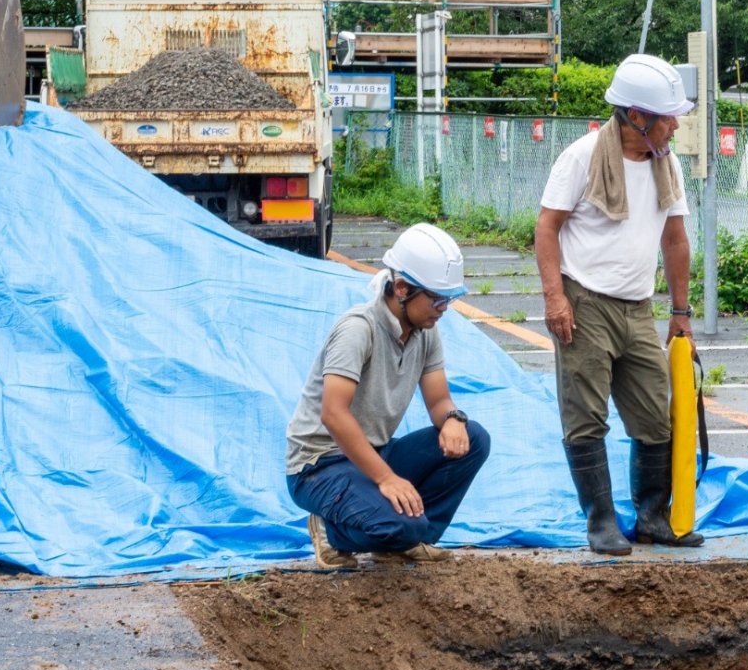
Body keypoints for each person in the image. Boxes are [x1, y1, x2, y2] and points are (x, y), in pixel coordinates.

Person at [536, 53, 701, 556]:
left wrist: (681, 312)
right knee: (586, 417)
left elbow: (674, 239)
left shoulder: (664, 164)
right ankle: (601, 522)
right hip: (585, 302)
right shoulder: (583, 157)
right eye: (667, 116)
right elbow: (546, 227)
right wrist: (555, 298)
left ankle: (652, 517)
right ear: (636, 116)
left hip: (637, 307)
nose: (675, 124)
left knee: (656, 416)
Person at [285, 223, 491, 569]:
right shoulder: (358, 329)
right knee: (401, 525)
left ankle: (409, 538)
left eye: (449, 299)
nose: (444, 308)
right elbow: (333, 414)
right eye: (437, 298)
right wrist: (386, 478)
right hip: (321, 466)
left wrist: (453, 420)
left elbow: (439, 402)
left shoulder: (426, 331)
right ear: (401, 289)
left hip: (372, 453)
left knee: (474, 439)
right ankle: (332, 530)